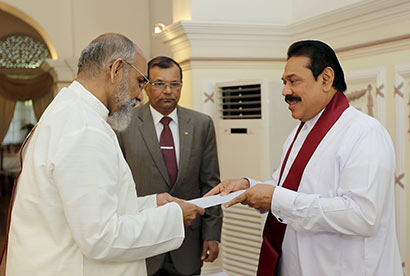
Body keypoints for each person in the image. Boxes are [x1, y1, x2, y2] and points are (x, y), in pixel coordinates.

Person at [2, 33, 204, 276]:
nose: (140, 96)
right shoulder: (84, 129)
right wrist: (173, 218)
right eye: (140, 81)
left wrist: (153, 204)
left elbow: (89, 207)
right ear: (116, 69)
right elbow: (101, 236)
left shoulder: (71, 111)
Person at [206, 40, 402, 276]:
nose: (285, 91)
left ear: (326, 79)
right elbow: (286, 187)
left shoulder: (364, 133)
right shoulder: (298, 133)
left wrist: (276, 200)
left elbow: (362, 215)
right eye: (284, 83)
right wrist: (248, 186)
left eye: (293, 81)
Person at [116, 56, 222, 276]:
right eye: (159, 84)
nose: (167, 91)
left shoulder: (202, 124)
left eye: (174, 84)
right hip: (142, 241)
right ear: (145, 85)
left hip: (188, 242)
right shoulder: (123, 125)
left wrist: (212, 234)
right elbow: (117, 185)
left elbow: (210, 183)